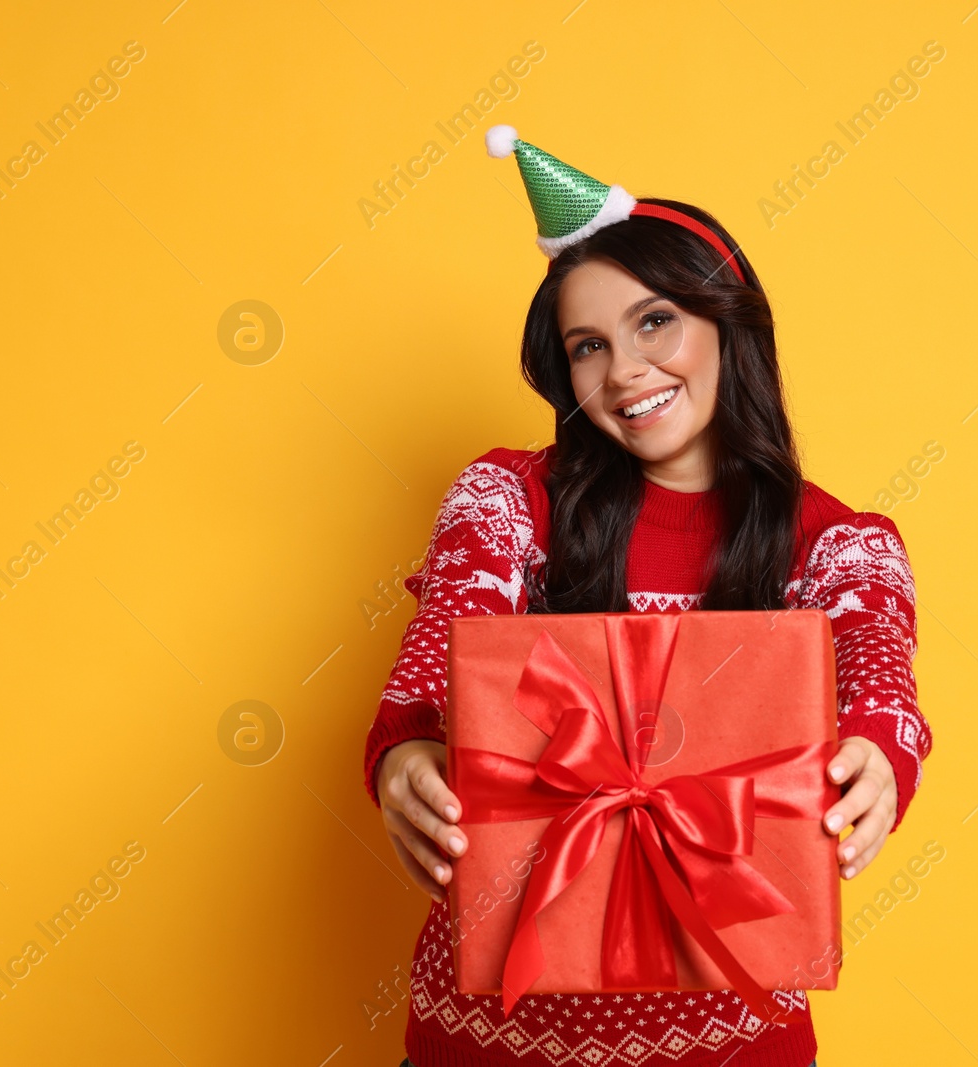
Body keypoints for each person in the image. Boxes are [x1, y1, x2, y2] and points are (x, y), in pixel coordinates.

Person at [363, 127, 933, 1067]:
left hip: (733, 1034)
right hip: (489, 1031)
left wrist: (876, 746)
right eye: (588, 344)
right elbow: (449, 625)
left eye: (654, 321)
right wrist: (406, 748)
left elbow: (879, 658)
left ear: (725, 320)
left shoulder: (838, 543)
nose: (624, 369)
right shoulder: (510, 500)